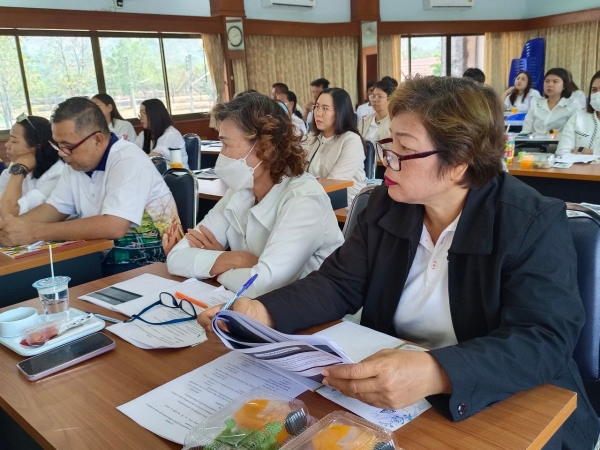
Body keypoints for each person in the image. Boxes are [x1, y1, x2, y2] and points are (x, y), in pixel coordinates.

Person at [199, 76, 599, 450]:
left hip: (503, 398)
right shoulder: (386, 205)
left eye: (404, 150)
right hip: (392, 397)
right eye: (389, 143)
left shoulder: (529, 221)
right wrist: (262, 311)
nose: (386, 160)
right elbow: (338, 283)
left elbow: (543, 338)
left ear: (459, 161)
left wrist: (437, 371)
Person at [167, 93, 343, 298]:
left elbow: (262, 285)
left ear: (265, 148)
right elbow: (176, 258)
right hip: (255, 306)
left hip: (313, 311)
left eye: (227, 144)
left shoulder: (304, 199)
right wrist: (236, 259)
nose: (221, 154)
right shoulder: (240, 190)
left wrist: (214, 266)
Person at [0, 97, 183, 271]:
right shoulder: (75, 164)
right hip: (101, 254)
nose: (61, 153)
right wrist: (13, 227)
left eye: (67, 146)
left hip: (151, 261)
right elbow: (54, 208)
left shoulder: (127, 158)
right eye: (57, 145)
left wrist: (34, 231)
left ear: (97, 140)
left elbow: (114, 226)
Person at [303, 87, 365, 203]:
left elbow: (334, 182)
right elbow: (296, 170)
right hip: (313, 197)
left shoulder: (351, 140)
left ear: (340, 112)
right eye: (317, 107)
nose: (318, 113)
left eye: (325, 108)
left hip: (344, 202)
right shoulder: (312, 137)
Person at [0, 114, 64, 217]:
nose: (7, 145)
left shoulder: (56, 175)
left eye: (14, 141)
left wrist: (20, 169)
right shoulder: (18, 161)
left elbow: (9, 213)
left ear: (37, 147)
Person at [133, 98, 188, 168]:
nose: (140, 117)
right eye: (140, 114)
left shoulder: (171, 134)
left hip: (176, 174)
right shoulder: (143, 135)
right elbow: (132, 151)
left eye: (143, 113)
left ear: (155, 114)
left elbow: (156, 158)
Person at [522, 68, 578, 135]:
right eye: (547, 81)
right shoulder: (535, 102)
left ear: (564, 86)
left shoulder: (572, 105)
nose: (550, 85)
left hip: (559, 141)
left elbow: (573, 133)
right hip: (535, 141)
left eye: (555, 81)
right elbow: (526, 129)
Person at [557, 70, 600, 156]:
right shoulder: (578, 117)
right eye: (594, 90)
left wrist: (589, 151)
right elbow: (562, 152)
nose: (598, 94)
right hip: (578, 165)